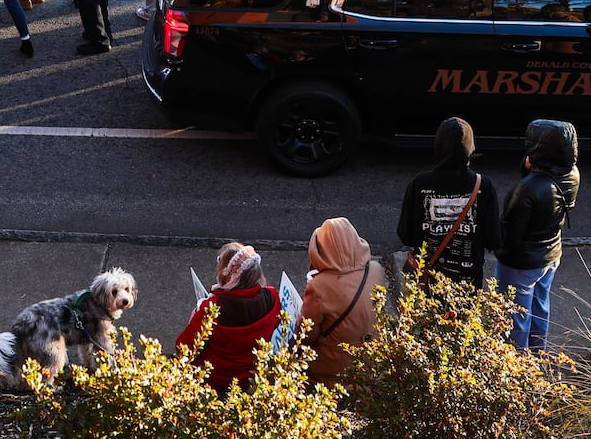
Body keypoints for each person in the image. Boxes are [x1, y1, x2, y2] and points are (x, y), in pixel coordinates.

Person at [496, 119, 579, 351]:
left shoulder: (527, 190)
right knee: (539, 308)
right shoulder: (573, 174)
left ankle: (516, 362)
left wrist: (498, 248)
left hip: (521, 264)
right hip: (551, 254)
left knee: (515, 319)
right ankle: (537, 354)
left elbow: (509, 235)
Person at [397, 117, 501, 289]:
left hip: (427, 280)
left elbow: (406, 235)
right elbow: (494, 239)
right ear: (471, 148)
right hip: (467, 284)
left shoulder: (420, 183)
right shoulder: (484, 185)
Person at [175, 243, 282, 392]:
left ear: (228, 275)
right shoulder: (272, 297)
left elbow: (184, 346)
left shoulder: (212, 307)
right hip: (252, 378)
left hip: (213, 381)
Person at [301, 217, 382, 386]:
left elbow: (307, 333)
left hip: (334, 366)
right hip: (372, 358)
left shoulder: (319, 286)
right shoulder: (375, 269)